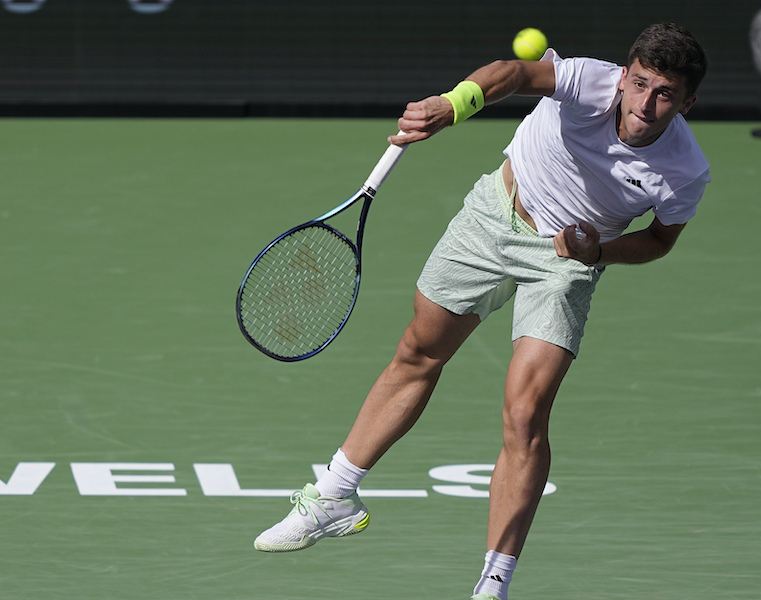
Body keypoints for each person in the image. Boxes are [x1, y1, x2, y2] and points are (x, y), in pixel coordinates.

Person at [252, 22, 710, 600]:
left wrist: (601, 252)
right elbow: (515, 73)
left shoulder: (684, 170)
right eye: (639, 83)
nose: (644, 102)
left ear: (687, 101)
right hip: (493, 217)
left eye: (664, 93)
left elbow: (660, 240)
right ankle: (334, 496)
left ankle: (493, 583)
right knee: (419, 351)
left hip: (565, 263)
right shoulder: (590, 82)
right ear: (623, 76)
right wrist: (452, 104)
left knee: (525, 414)